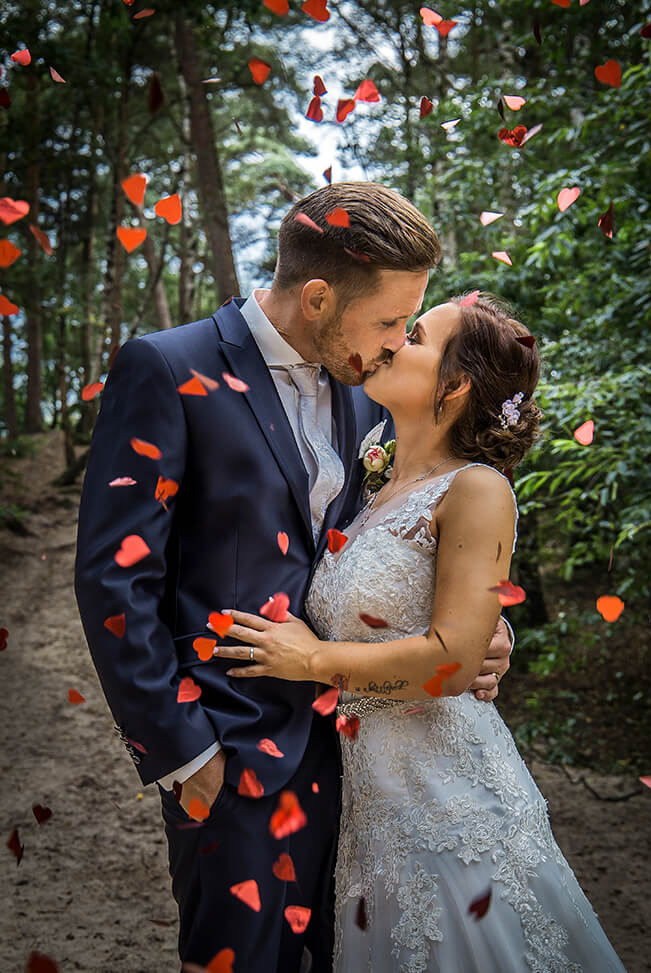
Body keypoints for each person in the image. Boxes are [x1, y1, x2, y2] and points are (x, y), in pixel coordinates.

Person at [74, 183, 514, 973]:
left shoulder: (366, 396)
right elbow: (115, 580)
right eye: (387, 322)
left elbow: (405, 534)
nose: (392, 345)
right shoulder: (167, 369)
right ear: (317, 297)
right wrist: (182, 752)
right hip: (230, 760)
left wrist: (486, 626)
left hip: (363, 765)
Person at [215, 294, 627, 972]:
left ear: (455, 385)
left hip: (450, 808)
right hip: (372, 811)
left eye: (414, 335)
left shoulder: (478, 488)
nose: (390, 340)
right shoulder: (370, 478)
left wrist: (315, 658)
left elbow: (455, 660)